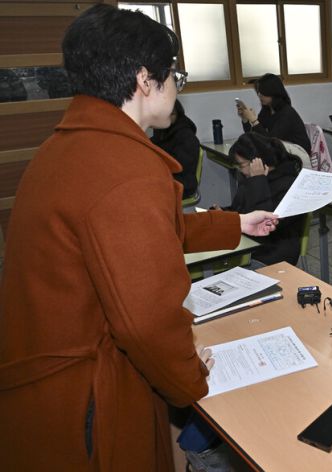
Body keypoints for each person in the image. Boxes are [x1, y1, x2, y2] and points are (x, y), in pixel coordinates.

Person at [0, 5, 278, 471]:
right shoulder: (126, 170)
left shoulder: (70, 146)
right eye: (175, 77)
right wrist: (192, 380)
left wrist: (236, 224)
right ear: (145, 80)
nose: (176, 89)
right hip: (86, 402)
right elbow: (145, 324)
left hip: (43, 391)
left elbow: (141, 233)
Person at [216, 132, 304, 265]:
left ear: (258, 161)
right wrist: (224, 213)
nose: (240, 171)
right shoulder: (252, 179)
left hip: (273, 251)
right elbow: (242, 210)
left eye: (241, 165)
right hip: (248, 243)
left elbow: (267, 223)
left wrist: (258, 181)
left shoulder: (289, 185)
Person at [236, 73, 311, 155]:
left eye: (262, 92)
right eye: (258, 92)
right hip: (282, 151)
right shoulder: (267, 110)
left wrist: (254, 120)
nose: (259, 95)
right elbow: (256, 136)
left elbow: (271, 142)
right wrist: (245, 119)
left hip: (298, 154)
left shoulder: (287, 113)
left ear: (273, 92)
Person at [151, 99, 200, 198]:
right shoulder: (162, 131)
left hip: (182, 184)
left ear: (178, 113)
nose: (167, 117)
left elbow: (180, 167)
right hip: (168, 179)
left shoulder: (186, 136)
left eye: (172, 114)